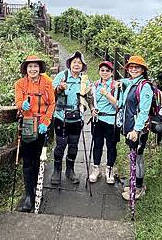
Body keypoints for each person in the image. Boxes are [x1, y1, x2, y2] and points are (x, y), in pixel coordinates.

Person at [15, 55, 55, 212]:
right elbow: (18, 102)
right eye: (30, 66)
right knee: (27, 161)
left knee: (39, 159)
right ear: (26, 69)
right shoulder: (19, 84)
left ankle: (38, 190)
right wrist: (21, 105)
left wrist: (46, 122)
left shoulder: (47, 83)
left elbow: (52, 103)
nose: (33, 69)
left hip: (42, 125)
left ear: (40, 68)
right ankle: (29, 196)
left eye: (35, 66)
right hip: (27, 124)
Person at [50, 51, 91, 185]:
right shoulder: (62, 76)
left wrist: (91, 104)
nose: (77, 65)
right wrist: (59, 88)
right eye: (74, 62)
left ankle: (70, 170)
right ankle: (56, 171)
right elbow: (51, 94)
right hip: (61, 117)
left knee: (73, 146)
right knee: (60, 145)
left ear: (82, 66)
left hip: (77, 118)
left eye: (79, 63)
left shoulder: (84, 80)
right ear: (70, 64)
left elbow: (89, 97)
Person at [117, 55, 153, 200]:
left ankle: (138, 188)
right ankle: (135, 183)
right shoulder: (132, 83)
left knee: (137, 157)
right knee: (133, 155)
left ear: (143, 70)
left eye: (137, 67)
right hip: (129, 128)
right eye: (131, 67)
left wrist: (136, 130)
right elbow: (126, 82)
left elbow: (144, 111)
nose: (133, 69)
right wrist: (120, 82)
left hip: (137, 130)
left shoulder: (145, 87)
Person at [88, 61, 120, 184]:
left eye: (107, 70)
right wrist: (92, 109)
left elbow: (117, 104)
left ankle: (110, 170)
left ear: (112, 72)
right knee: (97, 144)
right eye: (102, 70)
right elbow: (90, 100)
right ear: (99, 72)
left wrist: (106, 94)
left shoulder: (116, 86)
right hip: (98, 119)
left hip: (112, 120)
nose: (105, 73)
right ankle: (96, 169)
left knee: (111, 146)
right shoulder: (95, 85)